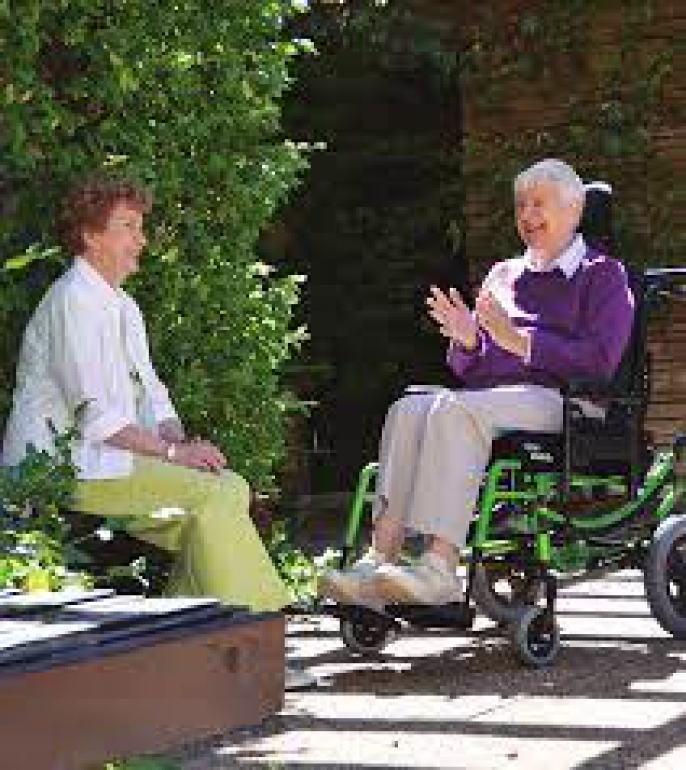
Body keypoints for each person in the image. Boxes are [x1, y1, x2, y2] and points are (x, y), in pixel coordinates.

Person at [2, 172, 315, 689]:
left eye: (139, 227)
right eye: (128, 227)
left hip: (112, 462)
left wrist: (181, 441)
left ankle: (176, 641)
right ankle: (264, 648)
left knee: (227, 491)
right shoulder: (71, 303)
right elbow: (96, 420)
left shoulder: (124, 307)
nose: (140, 240)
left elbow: (153, 394)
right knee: (213, 503)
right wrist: (174, 454)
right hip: (63, 470)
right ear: (90, 235)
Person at [320, 158, 635, 608]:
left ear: (574, 210)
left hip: (569, 401)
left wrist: (522, 343)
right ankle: (379, 556)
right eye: (521, 206)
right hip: (500, 399)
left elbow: (601, 360)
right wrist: (470, 343)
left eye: (539, 204)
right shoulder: (504, 275)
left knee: (456, 410)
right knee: (408, 407)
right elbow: (479, 373)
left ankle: (440, 565)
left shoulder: (602, 274)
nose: (527, 216)